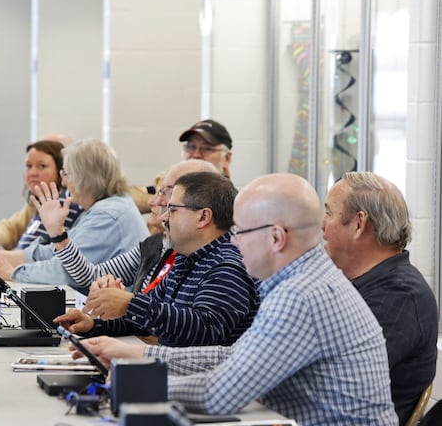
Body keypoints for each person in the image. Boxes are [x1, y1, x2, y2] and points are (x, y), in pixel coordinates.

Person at [73, 173, 397, 425]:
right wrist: (140, 356)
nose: (234, 243)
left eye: (240, 232)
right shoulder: (300, 282)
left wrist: (132, 381)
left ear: (275, 238)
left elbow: (220, 394)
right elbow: (234, 358)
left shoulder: (302, 296)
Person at [54, 171, 259, 347]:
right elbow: (148, 318)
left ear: (203, 217)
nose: (163, 218)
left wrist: (132, 304)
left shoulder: (226, 266)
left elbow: (204, 329)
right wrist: (93, 325)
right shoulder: (186, 259)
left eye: (173, 210)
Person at [322, 171, 438, 425]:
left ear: (358, 224)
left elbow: (334, 380)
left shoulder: (400, 295)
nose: (322, 225)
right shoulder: (358, 285)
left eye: (330, 213)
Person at [0, 139, 148, 293]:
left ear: (84, 176)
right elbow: (50, 253)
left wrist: (13, 273)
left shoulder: (108, 215)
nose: (64, 182)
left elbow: (65, 271)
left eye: (66, 174)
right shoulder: (105, 207)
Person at [47, 159, 220, 296]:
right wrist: (58, 234)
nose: (153, 201)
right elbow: (92, 276)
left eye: (167, 192)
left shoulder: (213, 261)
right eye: (160, 192)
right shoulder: (156, 245)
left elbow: (180, 326)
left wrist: (128, 305)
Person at [0, 140, 83, 250]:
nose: (32, 173)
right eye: (29, 166)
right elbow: (12, 227)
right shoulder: (36, 204)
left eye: (42, 166)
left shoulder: (67, 204)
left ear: (60, 170)